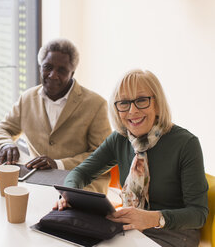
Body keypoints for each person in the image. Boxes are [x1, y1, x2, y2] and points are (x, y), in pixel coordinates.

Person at [54, 69, 208, 247]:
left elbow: (198, 214)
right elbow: (80, 173)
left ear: (157, 104)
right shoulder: (120, 138)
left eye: (142, 100)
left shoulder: (186, 144)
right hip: (131, 228)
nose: (132, 111)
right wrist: (70, 196)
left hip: (173, 233)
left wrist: (152, 218)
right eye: (124, 103)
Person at [0, 38, 112, 193]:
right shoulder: (27, 98)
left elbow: (103, 156)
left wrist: (58, 164)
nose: (53, 75)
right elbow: (1, 129)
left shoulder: (96, 104)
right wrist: (5, 144)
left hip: (82, 185)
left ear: (72, 72)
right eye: (48, 67)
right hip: (37, 183)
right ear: (41, 66)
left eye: (62, 70)